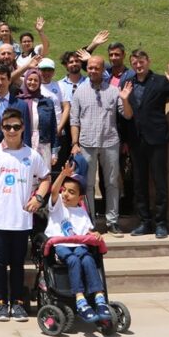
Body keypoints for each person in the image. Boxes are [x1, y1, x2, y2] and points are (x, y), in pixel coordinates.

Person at [0, 108, 51, 322]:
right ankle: (1, 303)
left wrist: (38, 198)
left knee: (18, 263)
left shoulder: (32, 155)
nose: (12, 130)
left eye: (16, 127)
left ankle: (18, 303)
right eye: (8, 126)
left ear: (23, 128)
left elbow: (46, 178)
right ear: (1, 128)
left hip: (21, 221)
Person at [127, 51, 169, 239]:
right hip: (135, 140)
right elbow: (127, 113)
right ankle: (144, 222)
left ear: (148, 61)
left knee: (160, 182)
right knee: (139, 183)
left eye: (141, 62)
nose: (138, 65)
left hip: (156, 139)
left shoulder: (161, 81)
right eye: (134, 63)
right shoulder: (128, 83)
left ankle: (161, 223)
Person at [69, 56, 132, 236]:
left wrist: (125, 99)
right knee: (87, 184)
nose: (92, 71)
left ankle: (112, 221)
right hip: (87, 143)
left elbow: (127, 115)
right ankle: (90, 222)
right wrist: (74, 143)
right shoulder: (79, 91)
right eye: (90, 68)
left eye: (96, 68)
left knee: (112, 183)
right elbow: (74, 120)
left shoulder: (114, 91)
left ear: (102, 69)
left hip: (110, 142)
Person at [45, 161, 112, 323]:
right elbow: (54, 190)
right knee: (74, 260)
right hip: (61, 246)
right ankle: (80, 299)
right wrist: (63, 175)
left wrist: (94, 234)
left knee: (89, 259)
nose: (66, 194)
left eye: (71, 192)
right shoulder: (58, 206)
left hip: (79, 245)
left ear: (80, 198)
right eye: (64, 190)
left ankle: (99, 297)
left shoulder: (82, 213)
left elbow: (87, 231)